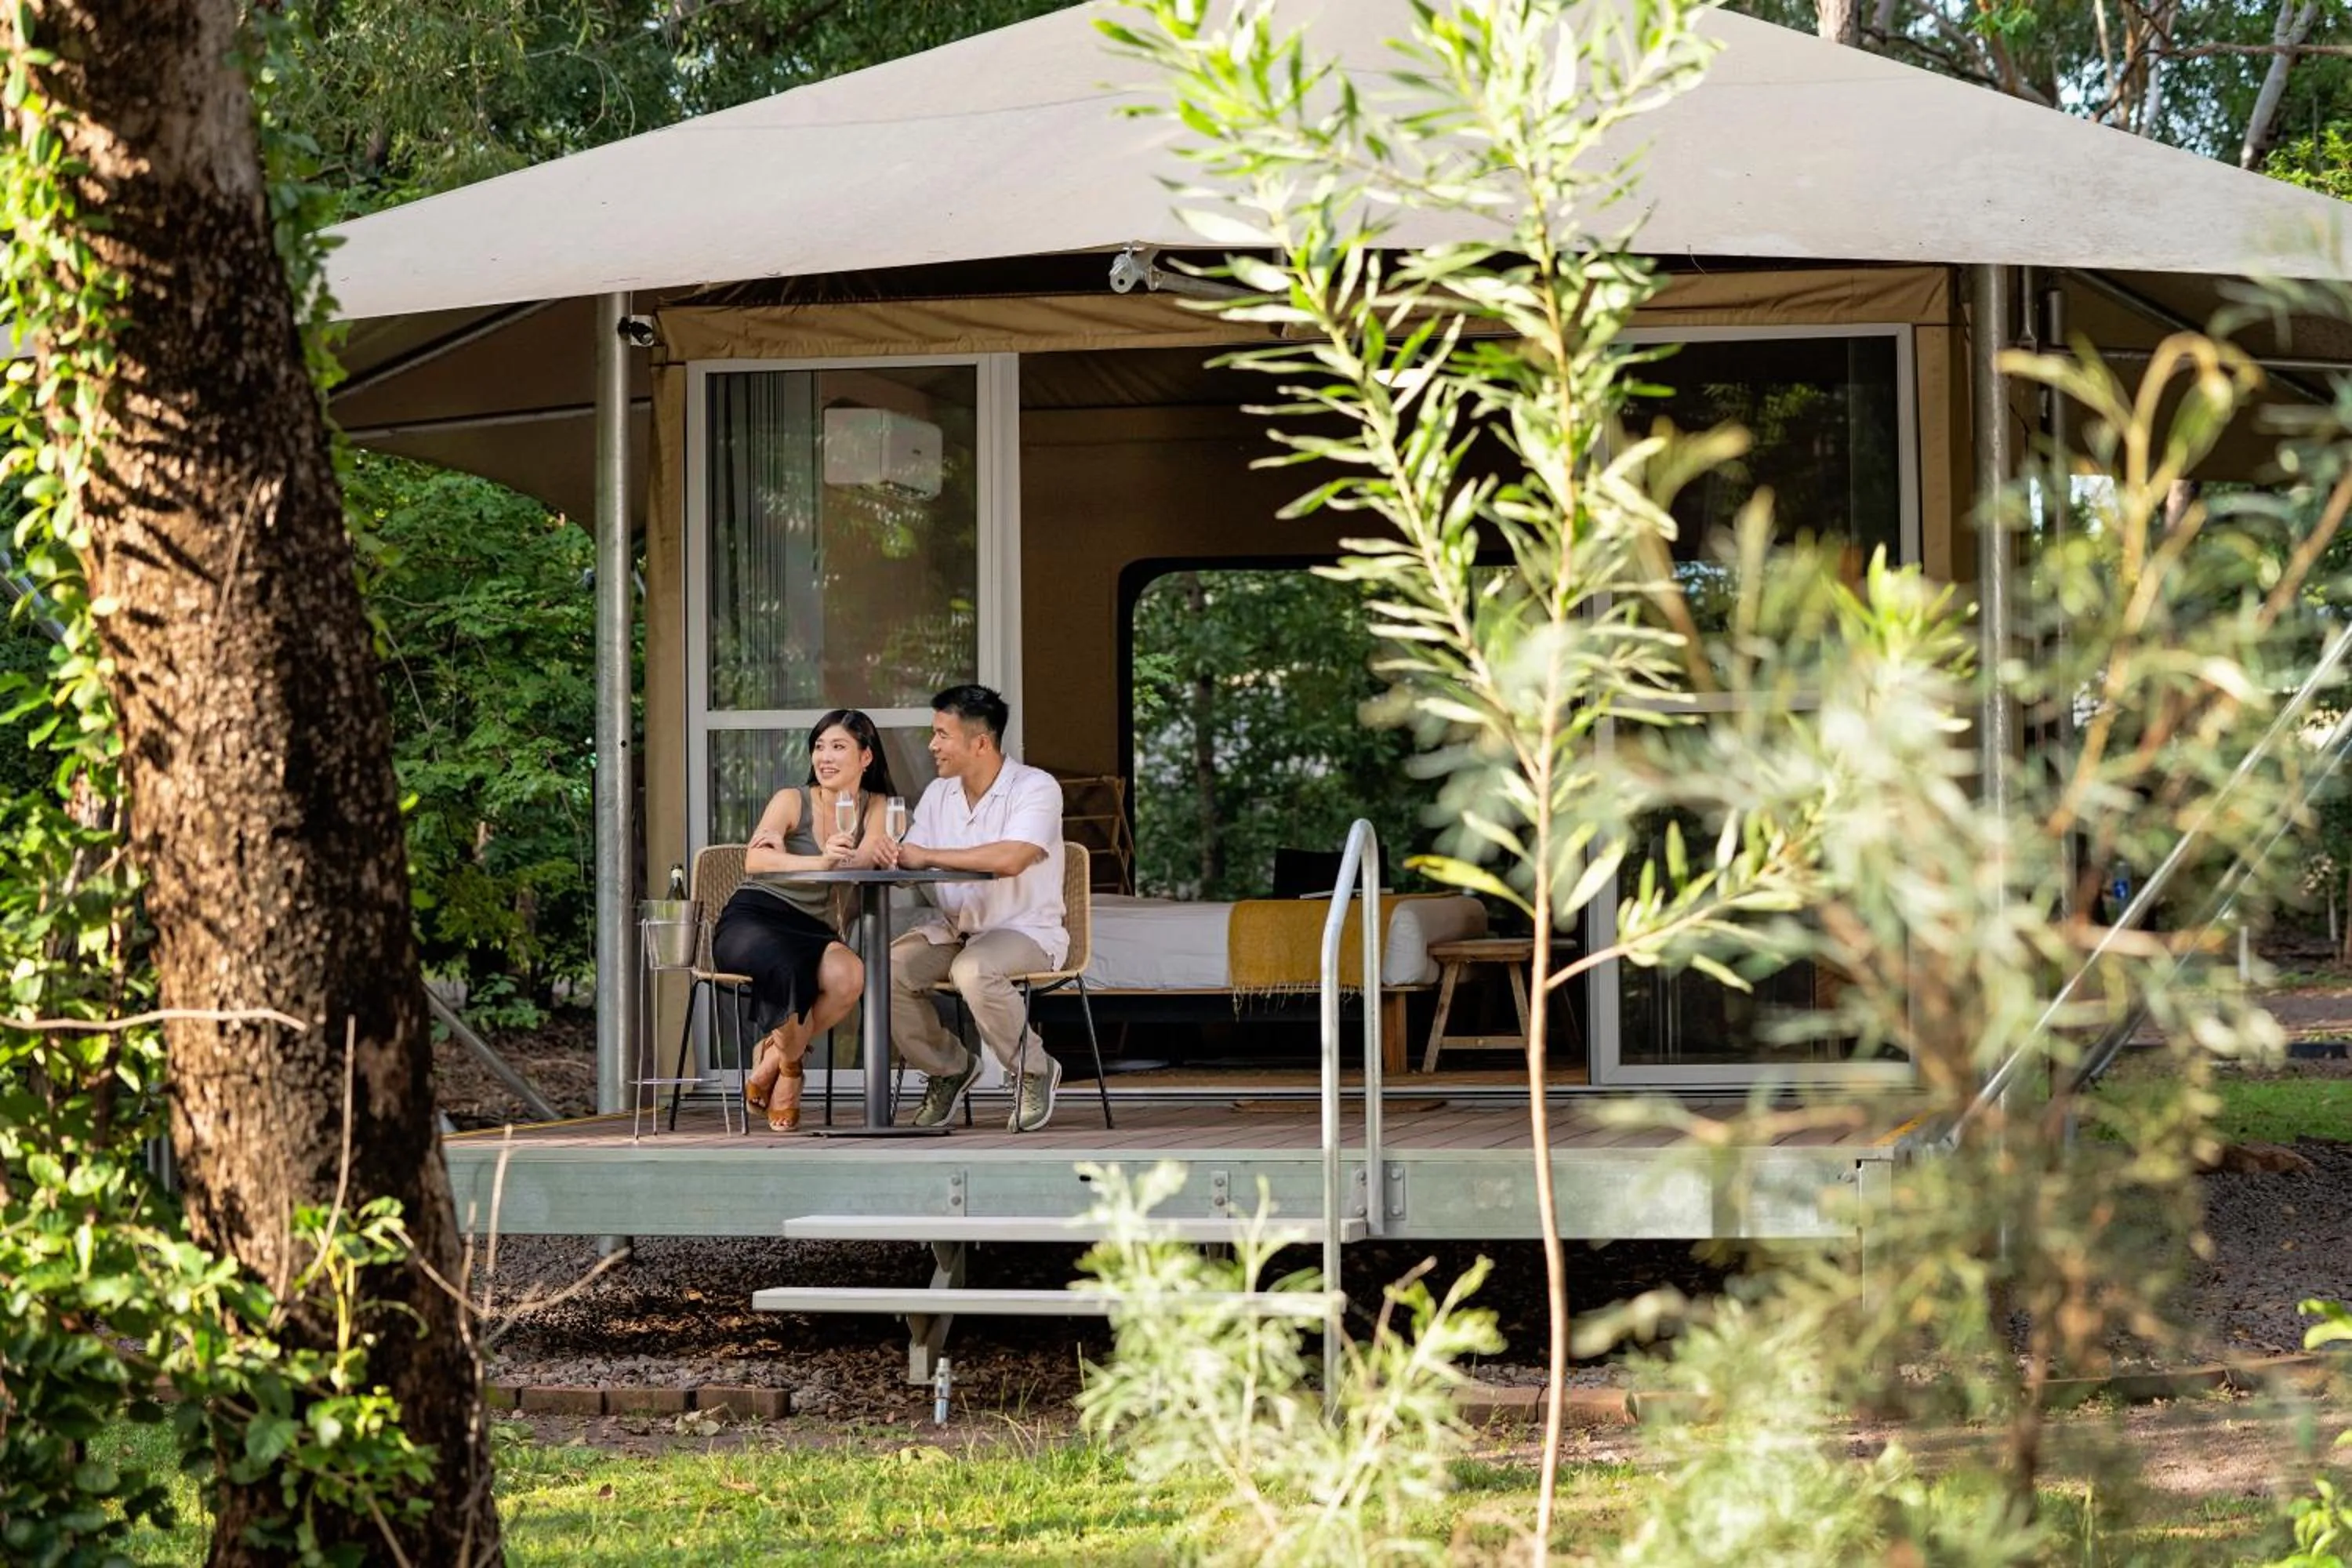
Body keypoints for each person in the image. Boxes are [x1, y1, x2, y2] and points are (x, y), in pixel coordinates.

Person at [873, 684, 1067, 1131]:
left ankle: (1035, 1069)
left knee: (973, 971)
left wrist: (928, 857)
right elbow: (913, 854)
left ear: (980, 743)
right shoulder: (940, 794)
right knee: (885, 970)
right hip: (957, 930)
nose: (932, 744)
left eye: (942, 734)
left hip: (1025, 931)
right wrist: (889, 853)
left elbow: (1011, 857)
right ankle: (949, 1067)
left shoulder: (1035, 787)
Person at [712, 709, 895, 1132]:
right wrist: (822, 859)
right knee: (790, 971)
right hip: (756, 916)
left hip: (813, 927)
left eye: (838, 747)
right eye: (819, 747)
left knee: (850, 976)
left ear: (866, 758)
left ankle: (773, 1056)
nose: (825, 757)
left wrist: (849, 854)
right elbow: (756, 860)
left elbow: (868, 859)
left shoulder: (877, 805)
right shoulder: (791, 799)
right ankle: (791, 1075)